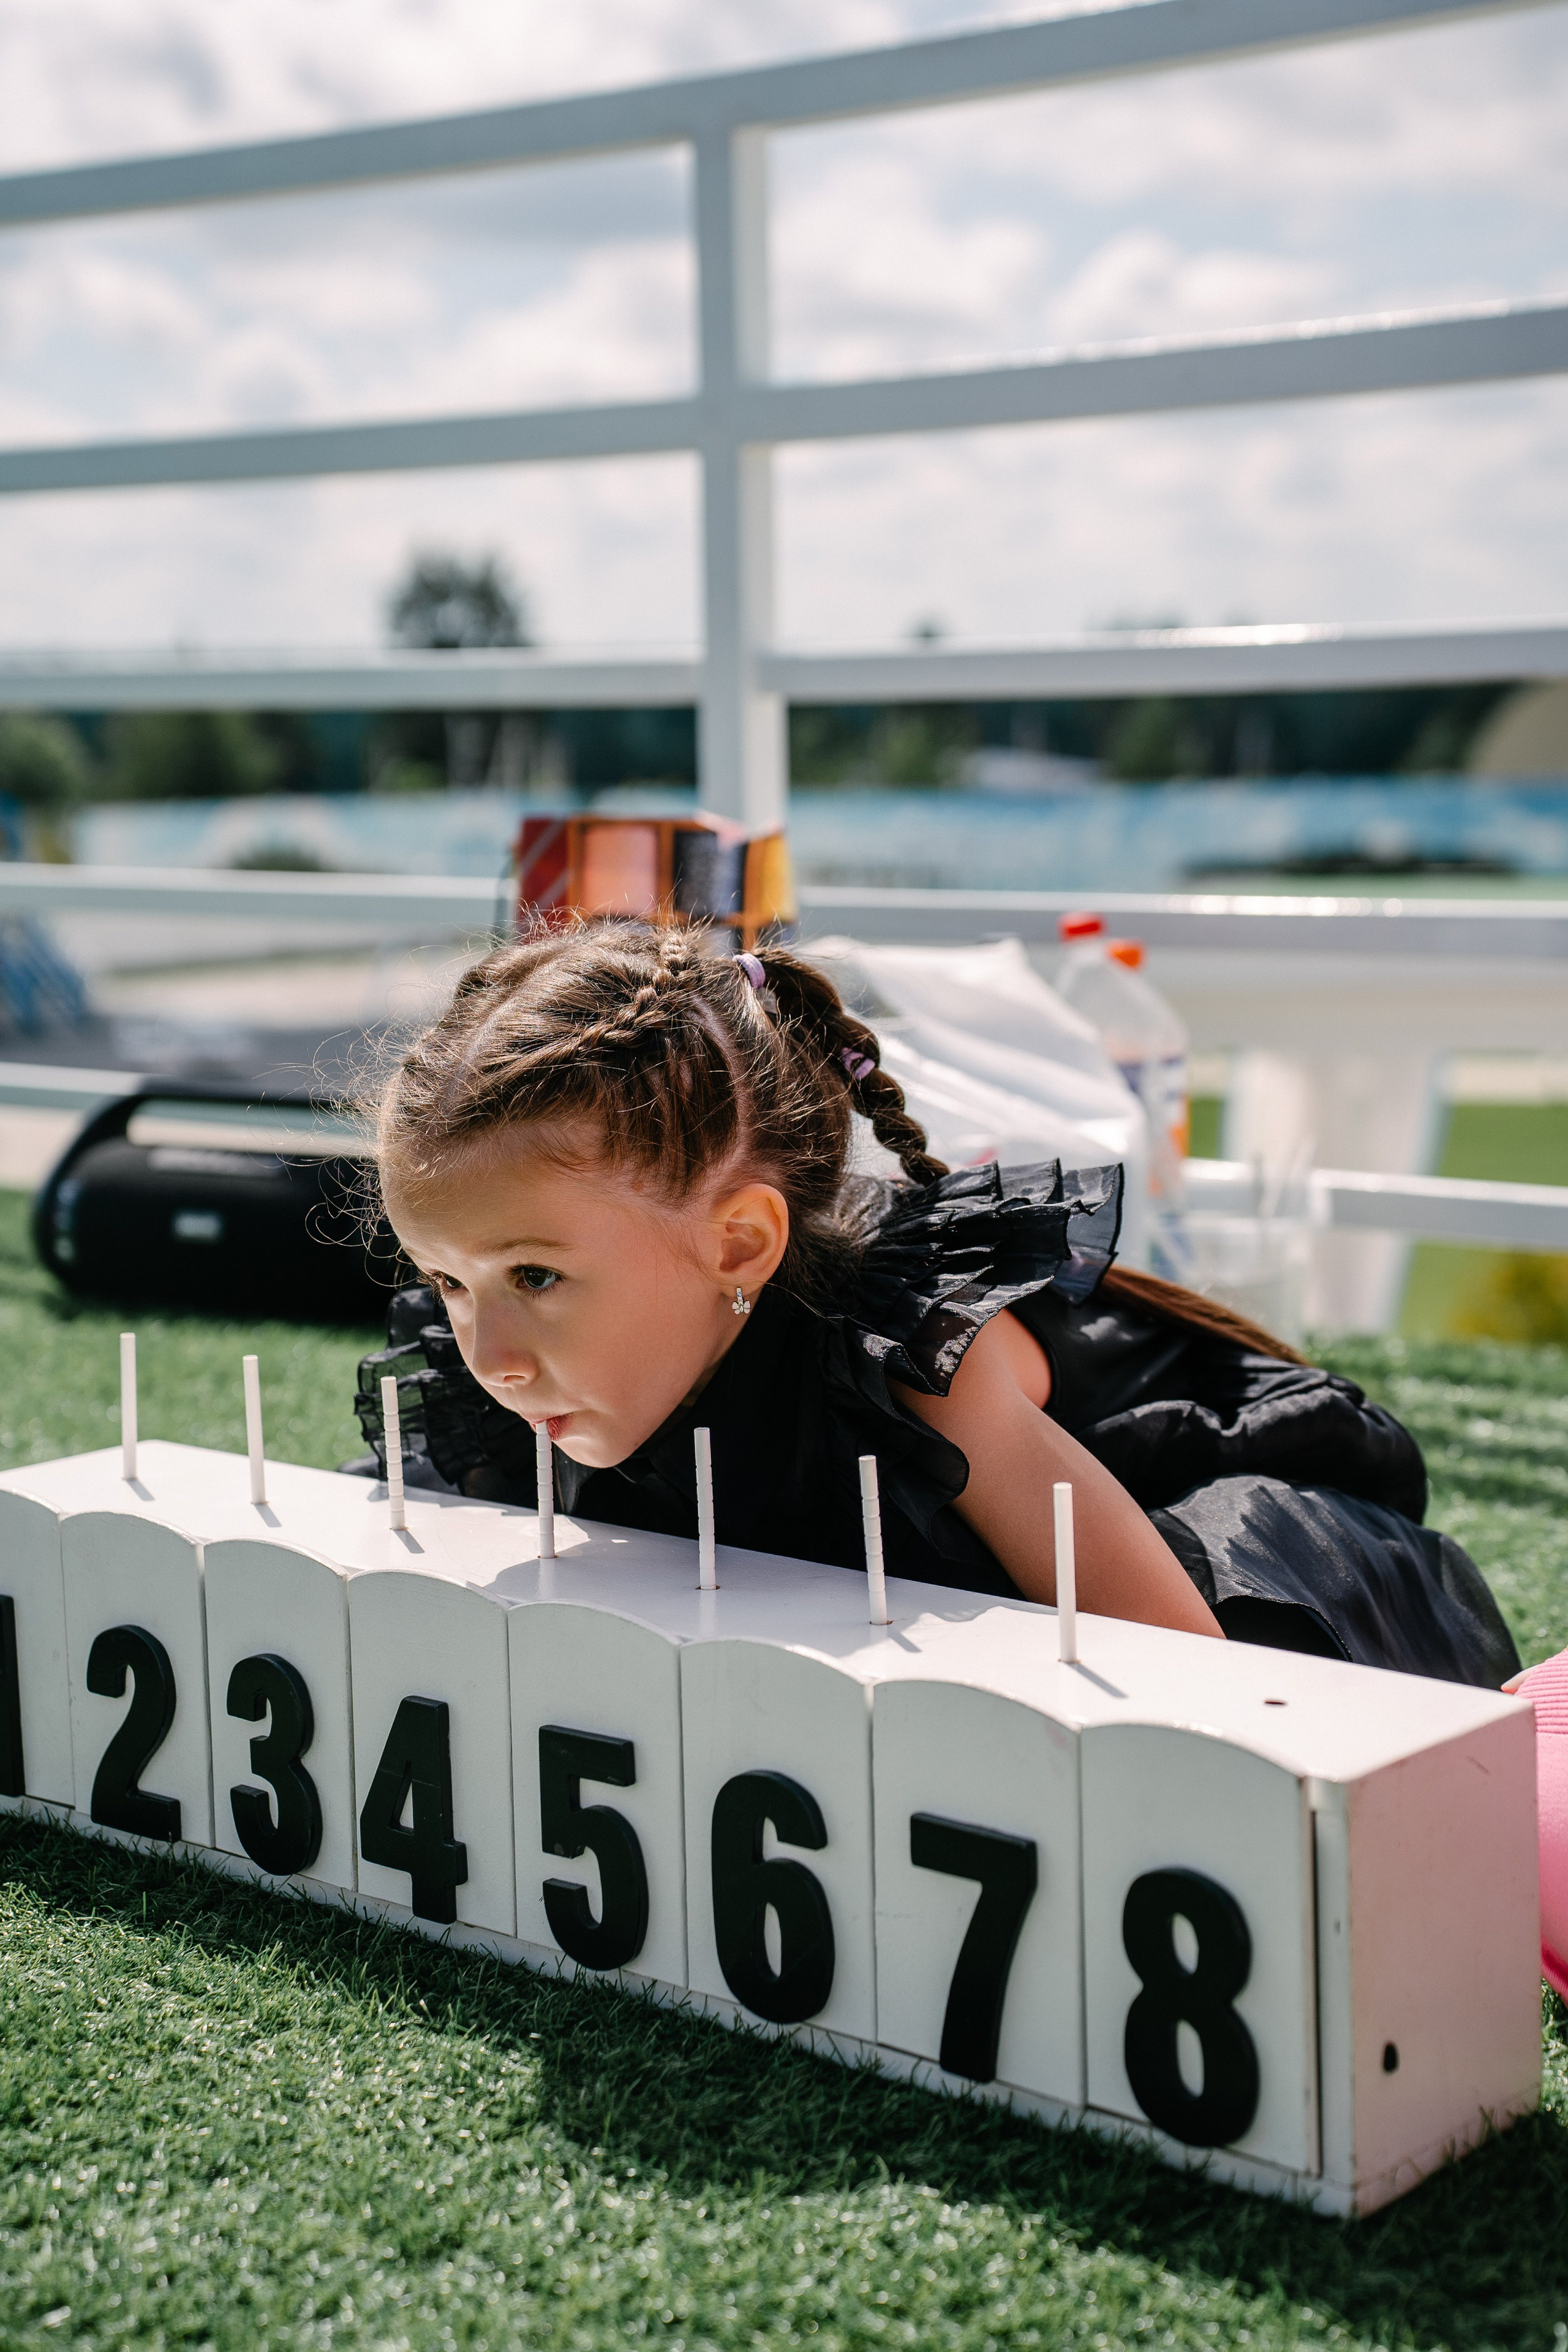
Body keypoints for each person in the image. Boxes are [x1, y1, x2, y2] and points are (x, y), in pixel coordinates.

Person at [355, 919, 1519, 1690]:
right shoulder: (531, 1361)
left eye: (536, 1278)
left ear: (738, 1247)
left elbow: (1192, 1677)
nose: (489, 1353)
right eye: (448, 1281)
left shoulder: (918, 1363)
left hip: (1240, 1533)